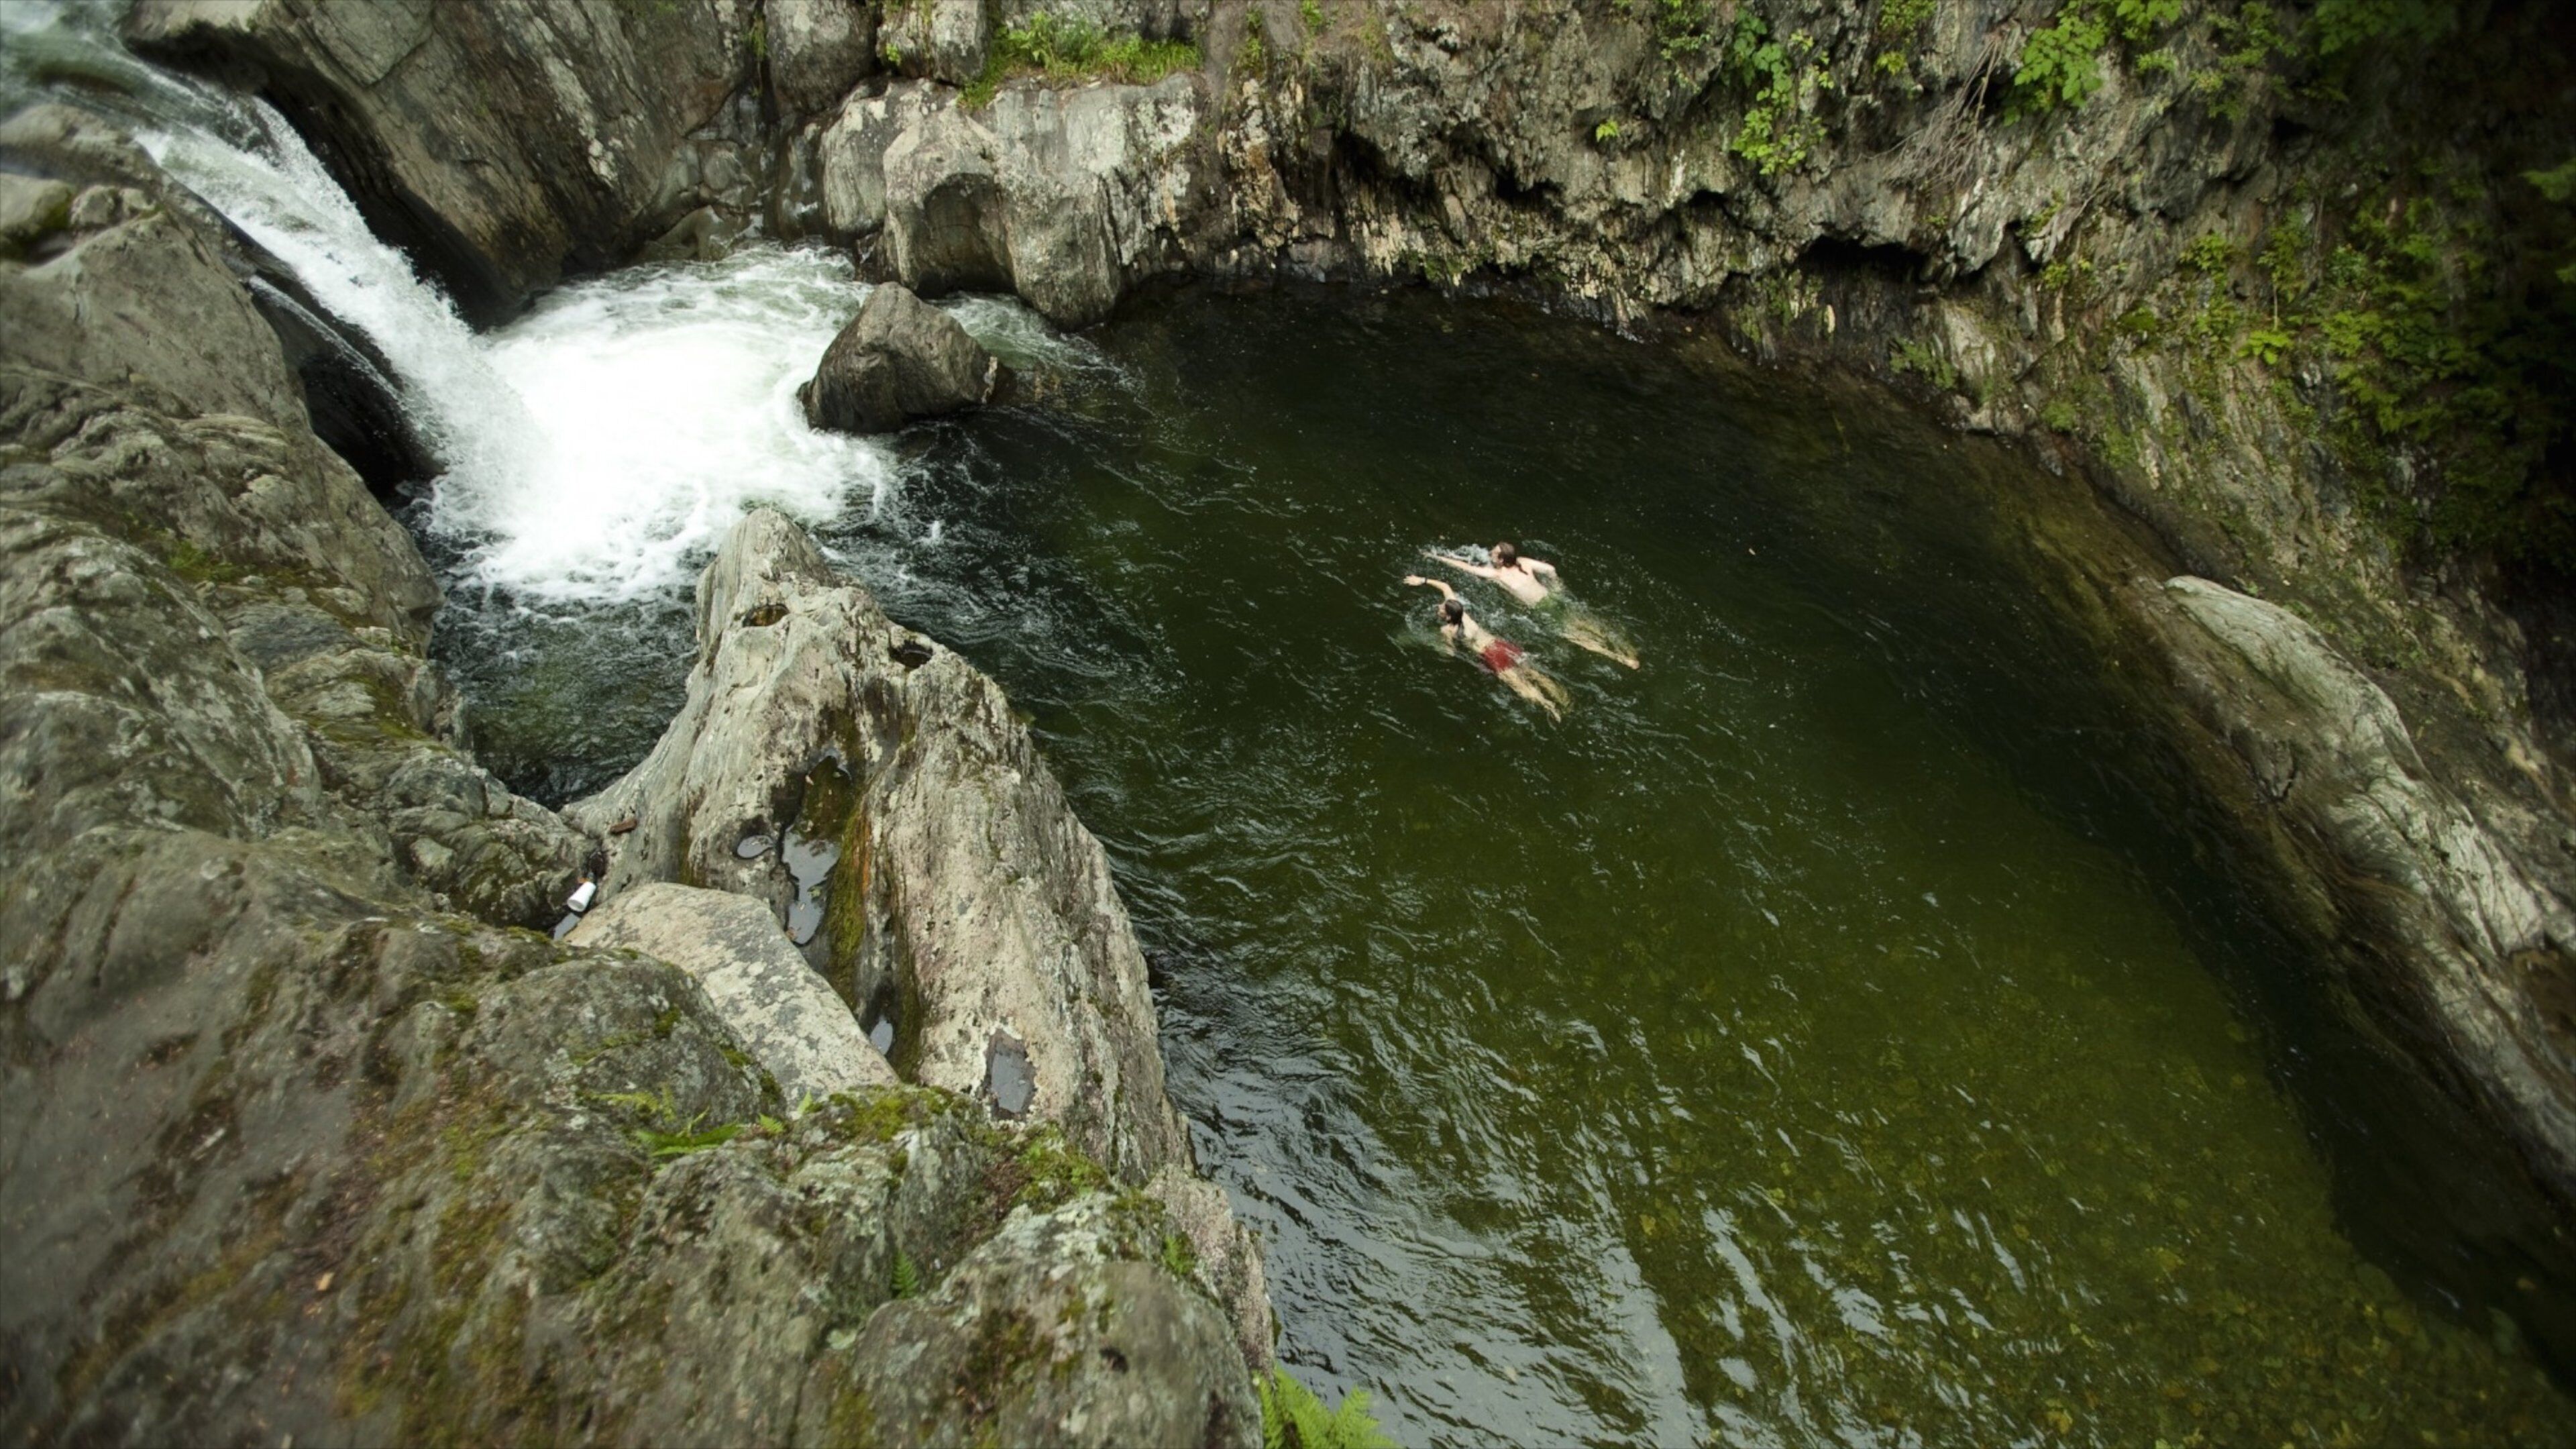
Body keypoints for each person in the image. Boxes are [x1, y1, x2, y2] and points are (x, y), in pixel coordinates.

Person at [1421, 541, 1640, 668]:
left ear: (1500, 560)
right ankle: (1628, 648)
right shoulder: (1524, 562)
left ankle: (1621, 659)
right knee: (1586, 623)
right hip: (1552, 599)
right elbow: (1551, 570)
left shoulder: (1497, 574)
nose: (1489, 553)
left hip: (1541, 610)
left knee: (1575, 635)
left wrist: (1438, 557)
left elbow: (1465, 567)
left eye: (1493, 553)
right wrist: (1558, 588)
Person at [1404, 575, 1572, 720]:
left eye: (1441, 608)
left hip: (1491, 655)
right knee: (1533, 673)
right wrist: (1423, 580)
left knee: (1519, 685)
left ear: (1448, 616)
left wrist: (1438, 647)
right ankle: (1563, 697)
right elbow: (1445, 587)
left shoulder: (1448, 630)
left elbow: (1450, 653)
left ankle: (1549, 706)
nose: (1438, 607)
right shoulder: (1465, 615)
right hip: (1501, 645)